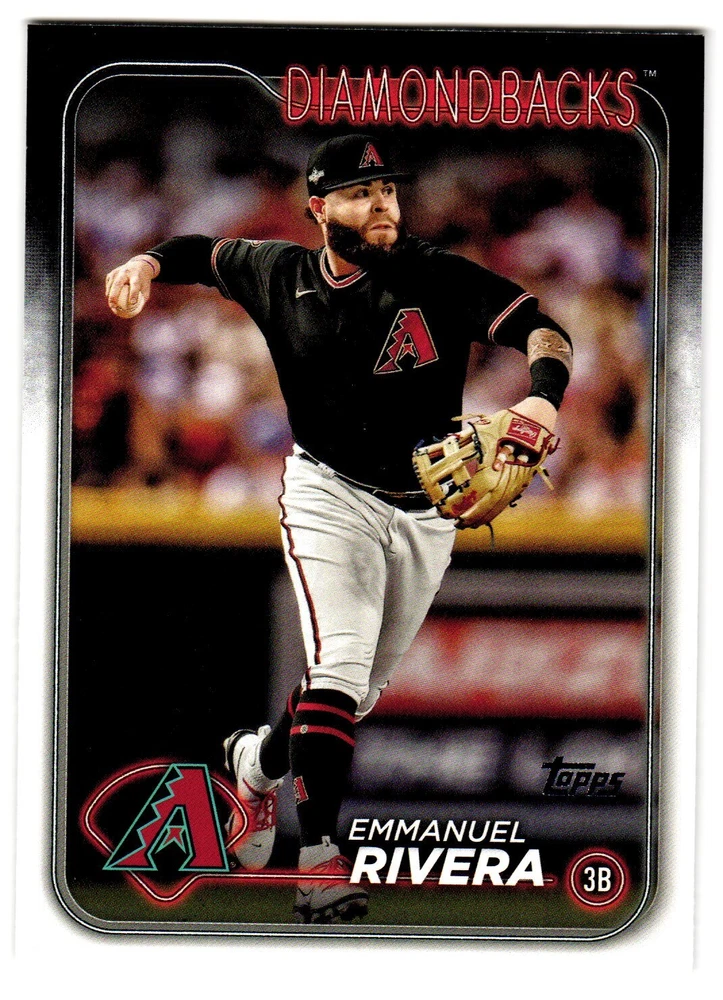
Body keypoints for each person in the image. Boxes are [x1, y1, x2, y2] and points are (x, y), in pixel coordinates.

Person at [105, 133, 573, 924]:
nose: (381, 203)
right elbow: (197, 253)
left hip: (424, 511)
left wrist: (541, 397)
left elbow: (544, 329)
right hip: (328, 492)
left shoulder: (434, 274)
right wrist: (147, 263)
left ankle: (255, 764)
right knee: (342, 667)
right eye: (360, 193)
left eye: (386, 189)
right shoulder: (276, 272)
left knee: (352, 696)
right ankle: (319, 859)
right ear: (319, 208)